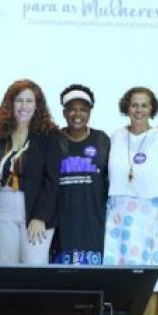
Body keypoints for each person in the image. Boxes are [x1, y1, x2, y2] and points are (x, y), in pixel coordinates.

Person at [104, 87, 158, 315]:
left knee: (148, 281)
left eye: (144, 105)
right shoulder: (115, 136)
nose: (138, 110)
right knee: (120, 280)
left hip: (150, 216)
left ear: (152, 109)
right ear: (127, 107)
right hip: (118, 216)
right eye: (134, 105)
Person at [0, 79, 60, 264]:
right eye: (19, 100)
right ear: (10, 104)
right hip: (3, 205)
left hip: (36, 208)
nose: (24, 106)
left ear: (37, 106)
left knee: (35, 267)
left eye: (29, 101)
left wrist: (40, 217)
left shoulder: (49, 135)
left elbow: (52, 180)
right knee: (7, 266)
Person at [52, 84, 110, 265]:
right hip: (61, 227)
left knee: (92, 285)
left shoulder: (102, 140)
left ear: (90, 112)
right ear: (64, 112)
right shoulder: (54, 140)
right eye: (72, 109)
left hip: (94, 225)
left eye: (83, 110)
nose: (77, 114)